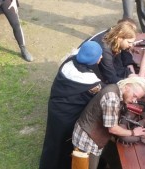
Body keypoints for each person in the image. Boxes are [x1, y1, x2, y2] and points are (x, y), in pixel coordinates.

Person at [39, 41, 104, 169]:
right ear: (94, 59)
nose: (101, 57)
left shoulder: (67, 63)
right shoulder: (91, 82)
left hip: (55, 109)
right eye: (99, 56)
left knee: (52, 141)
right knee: (63, 145)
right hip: (68, 118)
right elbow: (103, 94)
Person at [72, 76, 145, 169]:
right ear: (127, 87)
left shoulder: (116, 88)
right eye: (134, 96)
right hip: (87, 141)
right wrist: (133, 132)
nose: (134, 100)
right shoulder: (112, 98)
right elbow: (113, 129)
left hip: (95, 136)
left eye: (137, 99)